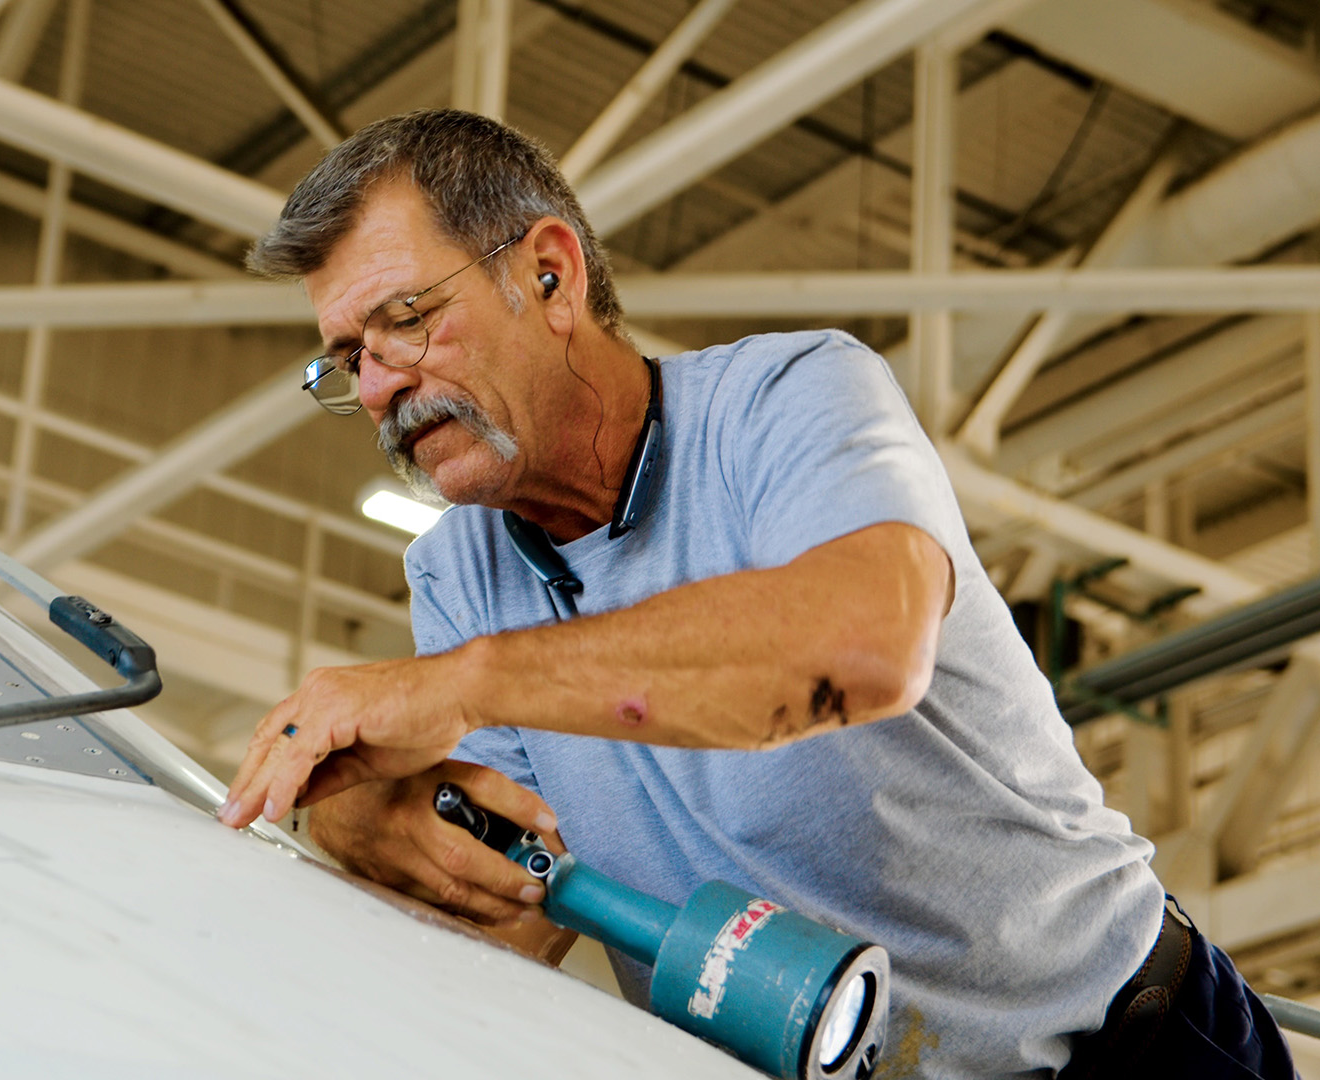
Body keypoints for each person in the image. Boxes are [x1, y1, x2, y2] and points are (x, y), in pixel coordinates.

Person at [218, 108, 1295, 1079]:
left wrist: (469, 685)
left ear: (550, 274)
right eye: (345, 358)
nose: (376, 387)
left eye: (405, 319)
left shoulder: (787, 399)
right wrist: (364, 816)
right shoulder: (456, 573)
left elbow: (863, 645)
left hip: (1126, 1051)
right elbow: (517, 912)